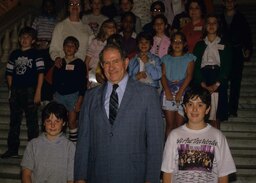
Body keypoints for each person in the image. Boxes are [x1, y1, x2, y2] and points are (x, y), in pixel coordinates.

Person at [74, 43, 164, 183]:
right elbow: (83, 141)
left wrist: (151, 179)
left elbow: (155, 143)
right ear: (102, 66)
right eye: (107, 63)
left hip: (134, 175)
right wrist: (80, 177)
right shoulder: (91, 96)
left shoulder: (148, 94)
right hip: (97, 175)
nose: (111, 67)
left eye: (116, 61)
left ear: (126, 62)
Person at [161, 86, 236, 183]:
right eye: (190, 104)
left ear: (207, 109)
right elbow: (167, 173)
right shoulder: (174, 135)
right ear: (184, 108)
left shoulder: (218, 136)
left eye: (200, 105)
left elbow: (223, 174)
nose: (194, 109)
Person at [1, 27, 44, 159]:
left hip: (31, 90)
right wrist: (11, 88)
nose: (24, 39)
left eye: (28, 37)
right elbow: (9, 74)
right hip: (16, 91)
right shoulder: (14, 54)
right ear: (19, 39)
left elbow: (41, 74)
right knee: (14, 121)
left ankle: (33, 151)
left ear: (33, 40)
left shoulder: (37, 54)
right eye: (22, 37)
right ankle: (12, 149)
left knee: (32, 122)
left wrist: (38, 92)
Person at [21, 101, 76, 183]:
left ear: (64, 123)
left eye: (57, 121)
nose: (52, 125)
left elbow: (70, 179)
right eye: (48, 121)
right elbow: (26, 174)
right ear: (43, 122)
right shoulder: (33, 145)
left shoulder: (70, 147)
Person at [193, 14, 232, 128]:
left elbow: (227, 66)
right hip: (203, 78)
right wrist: (202, 83)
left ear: (218, 26)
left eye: (214, 23)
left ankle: (216, 144)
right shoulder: (199, 45)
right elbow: (195, 66)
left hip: (218, 78)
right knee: (202, 114)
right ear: (205, 26)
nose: (211, 25)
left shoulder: (225, 45)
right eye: (208, 23)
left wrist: (217, 84)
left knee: (215, 115)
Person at [219, 0, 253, 117]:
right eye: (226, 1)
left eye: (231, 1)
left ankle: (233, 109)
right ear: (223, 3)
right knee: (222, 80)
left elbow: (247, 35)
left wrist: (248, 48)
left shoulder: (241, 18)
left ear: (235, 3)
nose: (229, 3)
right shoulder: (219, 18)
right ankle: (221, 108)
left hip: (237, 52)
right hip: (222, 52)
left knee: (236, 82)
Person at [52, 36, 86, 142]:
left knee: (72, 121)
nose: (69, 48)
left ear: (76, 49)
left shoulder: (80, 63)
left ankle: (73, 145)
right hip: (59, 96)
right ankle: (58, 143)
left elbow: (82, 83)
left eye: (72, 46)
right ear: (63, 47)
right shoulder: (59, 62)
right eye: (67, 45)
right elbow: (54, 80)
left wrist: (80, 99)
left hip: (73, 96)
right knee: (57, 121)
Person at [161, 32, 195, 137]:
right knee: (170, 125)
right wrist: (167, 90)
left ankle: (178, 151)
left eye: (180, 41)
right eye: (175, 41)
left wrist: (180, 92)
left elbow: (189, 75)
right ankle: (168, 151)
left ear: (184, 43)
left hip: (183, 90)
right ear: (171, 43)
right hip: (168, 91)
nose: (177, 43)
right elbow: (163, 76)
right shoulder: (166, 58)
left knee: (179, 125)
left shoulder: (189, 58)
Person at [32, 0, 59, 103]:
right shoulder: (38, 19)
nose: (48, 8)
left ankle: (47, 97)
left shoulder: (57, 20)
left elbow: (58, 36)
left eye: (50, 6)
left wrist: (49, 44)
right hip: (38, 49)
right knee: (38, 72)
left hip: (50, 49)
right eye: (46, 6)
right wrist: (37, 43)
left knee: (48, 74)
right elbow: (32, 33)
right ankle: (37, 96)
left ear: (53, 7)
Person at [50, 0, 90, 65]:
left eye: (78, 4)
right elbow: (53, 48)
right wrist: (56, 58)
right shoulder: (60, 26)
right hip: (63, 64)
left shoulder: (87, 28)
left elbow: (92, 48)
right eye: (71, 4)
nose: (74, 6)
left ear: (82, 8)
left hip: (81, 66)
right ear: (68, 8)